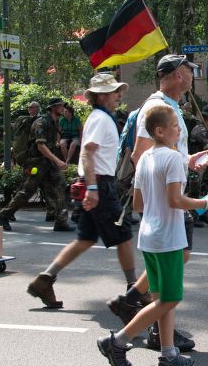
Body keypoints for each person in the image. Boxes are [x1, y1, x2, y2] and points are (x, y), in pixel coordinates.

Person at [97, 104, 208, 366]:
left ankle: (168, 356)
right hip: (168, 238)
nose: (179, 130)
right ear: (159, 130)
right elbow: (175, 200)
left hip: (149, 236)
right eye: (175, 125)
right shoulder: (173, 158)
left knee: (160, 298)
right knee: (169, 300)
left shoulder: (145, 157)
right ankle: (116, 342)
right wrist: (205, 202)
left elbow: (138, 203)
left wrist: (161, 205)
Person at [108, 54, 208, 353]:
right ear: (178, 74)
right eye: (189, 71)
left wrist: (186, 161)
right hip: (165, 203)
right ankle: (155, 330)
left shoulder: (171, 105)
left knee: (180, 257)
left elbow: (163, 153)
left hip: (167, 198)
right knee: (171, 269)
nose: (191, 76)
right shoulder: (156, 107)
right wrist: (165, 196)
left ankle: (132, 302)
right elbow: (141, 154)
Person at [26, 74, 136, 309]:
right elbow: (87, 153)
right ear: (102, 96)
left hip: (95, 182)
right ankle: (135, 291)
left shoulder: (100, 117)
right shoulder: (101, 119)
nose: (119, 95)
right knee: (124, 235)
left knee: (85, 238)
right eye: (115, 91)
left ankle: (45, 279)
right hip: (100, 184)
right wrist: (93, 188)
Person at [0, 98, 73, 232]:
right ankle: (4, 215)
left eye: (62, 106)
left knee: (61, 187)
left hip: (48, 162)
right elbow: (41, 146)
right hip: (36, 162)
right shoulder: (41, 122)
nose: (62, 108)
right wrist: (58, 161)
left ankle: (61, 221)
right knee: (27, 192)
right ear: (52, 108)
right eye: (60, 106)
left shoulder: (54, 122)